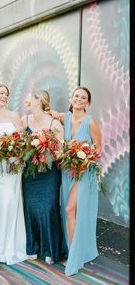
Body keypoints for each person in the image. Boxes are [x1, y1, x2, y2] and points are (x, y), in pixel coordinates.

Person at [56, 86, 102, 276]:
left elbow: (98, 149)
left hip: (83, 174)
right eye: (76, 96)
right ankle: (74, 250)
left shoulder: (90, 122)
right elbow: (46, 112)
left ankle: (75, 257)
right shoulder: (64, 118)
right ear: (72, 98)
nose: (79, 99)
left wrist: (83, 162)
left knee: (69, 209)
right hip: (67, 173)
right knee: (69, 211)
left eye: (83, 97)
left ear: (88, 103)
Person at [0, 83, 27, 265]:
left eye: (7, 94)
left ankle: (7, 248)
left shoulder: (14, 116)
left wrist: (18, 156)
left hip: (10, 168)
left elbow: (23, 141)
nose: (4, 97)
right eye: (1, 93)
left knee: (9, 203)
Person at [21, 90, 65, 265]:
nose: (27, 101)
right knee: (30, 207)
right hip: (30, 173)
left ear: (39, 100)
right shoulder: (24, 121)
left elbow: (61, 150)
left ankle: (49, 249)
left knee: (49, 208)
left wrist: (45, 154)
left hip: (49, 173)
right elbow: (18, 144)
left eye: (30, 98)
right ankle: (33, 247)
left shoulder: (55, 123)